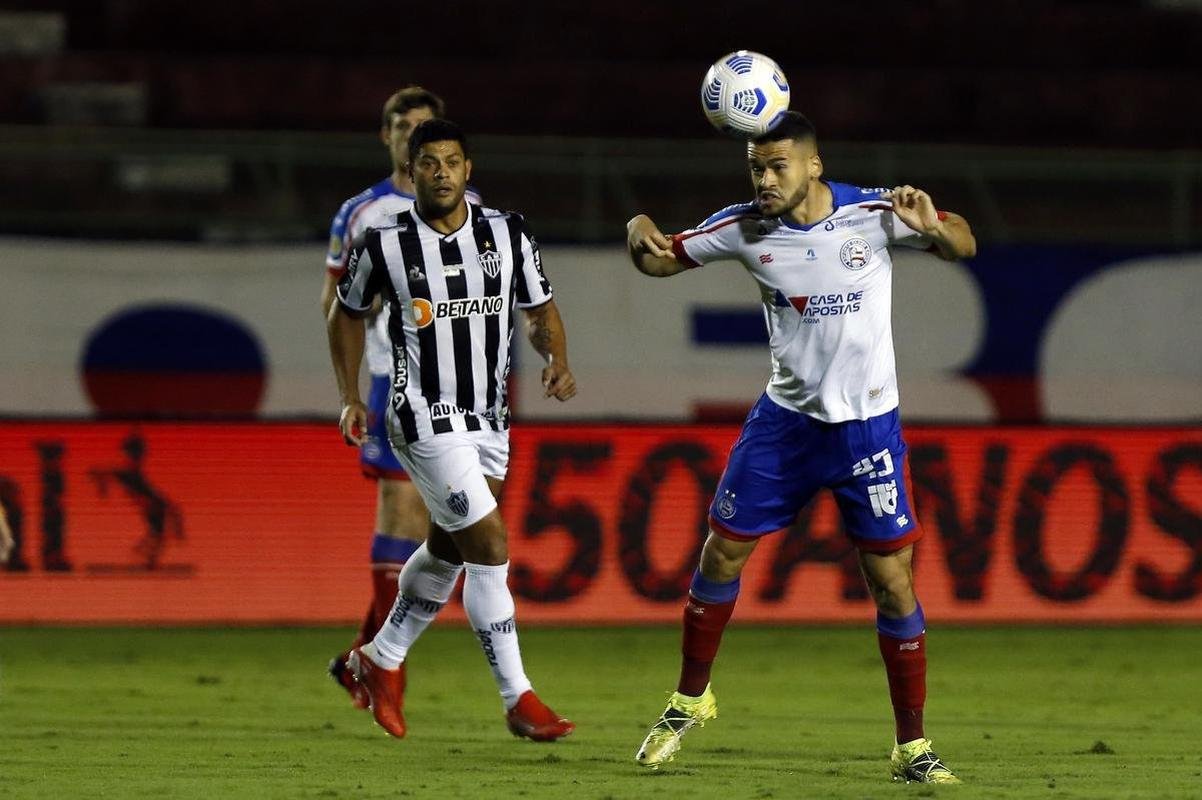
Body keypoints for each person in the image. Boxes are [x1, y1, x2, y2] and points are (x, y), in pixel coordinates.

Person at [625, 111, 976, 783]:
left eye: (777, 166)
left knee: (892, 583)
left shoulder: (874, 213)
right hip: (785, 426)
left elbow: (964, 243)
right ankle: (690, 700)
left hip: (867, 430)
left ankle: (911, 747)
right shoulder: (743, 227)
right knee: (721, 551)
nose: (764, 179)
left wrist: (933, 225)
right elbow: (659, 260)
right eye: (755, 167)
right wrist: (637, 228)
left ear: (814, 166)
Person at [327, 118, 578, 742]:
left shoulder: (507, 232)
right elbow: (344, 313)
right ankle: (518, 698)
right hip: (421, 415)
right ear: (411, 173)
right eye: (429, 163)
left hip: (489, 419)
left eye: (452, 161)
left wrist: (556, 356)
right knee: (488, 546)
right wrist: (350, 395)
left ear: (469, 169)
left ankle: (378, 658)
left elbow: (539, 308)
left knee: (446, 550)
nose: (441, 172)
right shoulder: (384, 243)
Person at [320, 86, 481, 709]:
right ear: (388, 138)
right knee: (402, 513)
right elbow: (338, 305)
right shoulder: (362, 213)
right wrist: (349, 391)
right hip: (398, 379)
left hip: (464, 388)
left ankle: (364, 658)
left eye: (425, 127)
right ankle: (387, 671)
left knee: (447, 532)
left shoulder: (473, 208)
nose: (414, 136)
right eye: (403, 126)